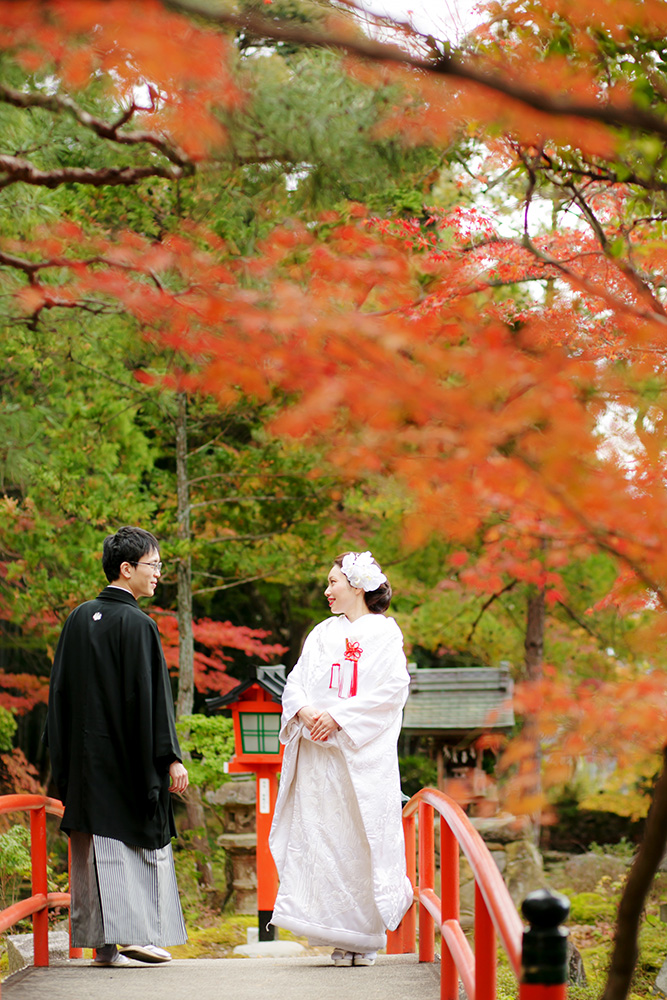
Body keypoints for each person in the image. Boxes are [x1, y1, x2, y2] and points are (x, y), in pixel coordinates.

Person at [45, 525, 189, 968]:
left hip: (87, 766)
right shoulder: (138, 625)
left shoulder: (77, 618)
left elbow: (59, 697)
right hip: (126, 761)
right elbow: (152, 701)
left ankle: (103, 946)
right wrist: (169, 758)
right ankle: (130, 936)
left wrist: (62, 764)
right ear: (126, 569)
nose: (158, 574)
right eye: (153, 565)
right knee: (127, 846)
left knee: (93, 852)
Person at [269, 550, 413, 967]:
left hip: (360, 758)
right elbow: (295, 681)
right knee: (324, 840)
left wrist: (338, 717)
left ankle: (364, 937)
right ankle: (336, 933)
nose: (327, 590)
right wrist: (306, 712)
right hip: (319, 758)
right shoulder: (322, 633)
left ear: (357, 586)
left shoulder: (385, 635)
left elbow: (391, 691)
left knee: (361, 840)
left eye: (334, 582)